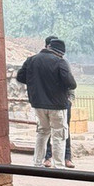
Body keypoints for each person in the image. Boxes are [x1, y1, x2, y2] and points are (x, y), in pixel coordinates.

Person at [16, 37, 77, 168]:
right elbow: (71, 83)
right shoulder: (60, 62)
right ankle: (59, 165)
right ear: (60, 52)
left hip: (38, 104)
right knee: (59, 134)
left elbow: (20, 76)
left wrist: (35, 83)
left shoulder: (31, 60)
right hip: (57, 104)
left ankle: (37, 163)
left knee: (42, 133)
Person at [41, 35, 75, 168]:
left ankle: (67, 157)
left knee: (64, 130)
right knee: (46, 130)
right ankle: (47, 157)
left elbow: (70, 82)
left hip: (62, 101)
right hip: (46, 101)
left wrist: (70, 99)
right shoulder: (42, 62)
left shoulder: (62, 62)